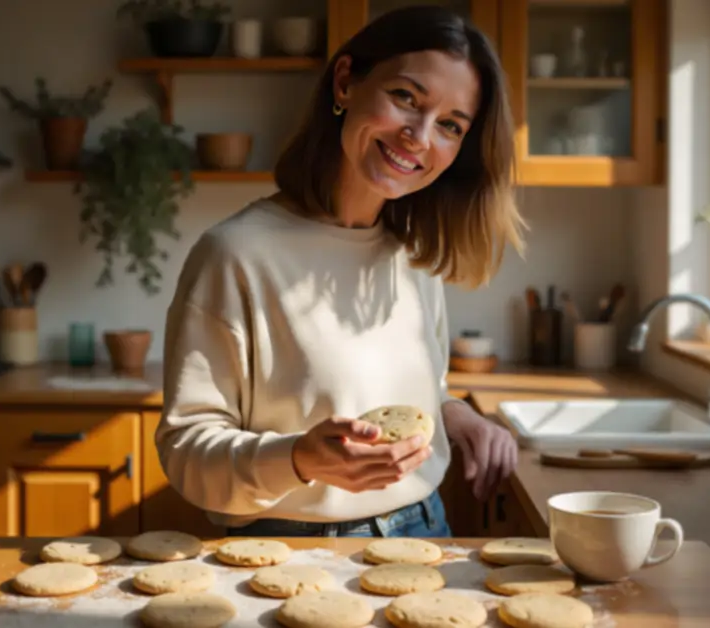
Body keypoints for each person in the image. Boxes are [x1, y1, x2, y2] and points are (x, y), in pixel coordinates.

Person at [154, 6, 522, 538]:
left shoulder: (413, 253)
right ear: (347, 82)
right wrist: (299, 458)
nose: (419, 136)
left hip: (426, 529)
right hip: (290, 546)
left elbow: (418, 389)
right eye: (405, 98)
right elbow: (187, 453)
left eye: (449, 125)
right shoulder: (234, 255)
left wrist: (457, 415)